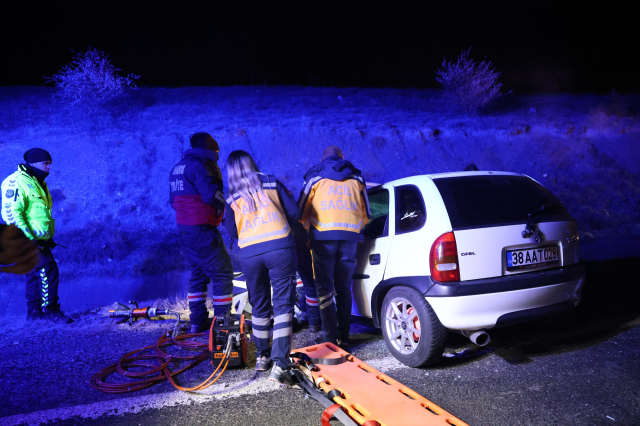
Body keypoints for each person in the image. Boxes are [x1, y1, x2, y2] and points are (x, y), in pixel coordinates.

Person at [224, 150, 299, 383]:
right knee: (283, 305)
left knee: (259, 306)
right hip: (280, 249)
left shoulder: (232, 196)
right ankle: (280, 364)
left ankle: (262, 357)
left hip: (250, 254)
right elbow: (295, 212)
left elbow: (231, 229)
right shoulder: (271, 182)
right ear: (251, 163)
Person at [298, 146, 370, 346]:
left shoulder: (314, 178)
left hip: (322, 239)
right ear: (342, 157)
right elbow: (367, 213)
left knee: (325, 289)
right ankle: (345, 336)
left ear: (323, 160)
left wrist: (308, 231)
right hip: (350, 239)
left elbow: (301, 211)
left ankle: (330, 338)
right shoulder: (357, 178)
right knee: (344, 288)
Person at [169, 133, 234, 333]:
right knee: (222, 273)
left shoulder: (178, 167)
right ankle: (223, 325)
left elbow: (173, 200)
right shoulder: (199, 166)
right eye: (216, 152)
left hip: (185, 229)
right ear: (209, 150)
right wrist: (232, 206)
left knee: (198, 273)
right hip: (202, 229)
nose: (217, 155)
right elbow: (211, 195)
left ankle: (197, 322)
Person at [1, 148, 72, 323]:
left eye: (49, 164)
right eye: (45, 163)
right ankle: (52, 311)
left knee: (34, 273)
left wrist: (46, 238)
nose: (49, 167)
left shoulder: (36, 181)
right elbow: (11, 214)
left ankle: (33, 314)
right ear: (32, 163)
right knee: (49, 269)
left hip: (38, 239)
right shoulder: (16, 182)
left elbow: (39, 213)